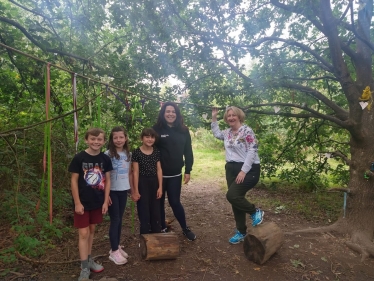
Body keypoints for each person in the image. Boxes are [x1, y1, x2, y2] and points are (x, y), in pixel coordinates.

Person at [211, 106, 263, 245]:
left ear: (239, 116)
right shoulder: (227, 132)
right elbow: (216, 133)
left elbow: (252, 151)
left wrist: (244, 170)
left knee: (232, 196)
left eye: (233, 115)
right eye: (229, 116)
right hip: (231, 168)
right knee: (236, 200)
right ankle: (241, 231)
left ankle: (254, 211)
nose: (231, 118)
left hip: (248, 168)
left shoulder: (247, 131)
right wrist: (214, 117)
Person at [68, 128, 113, 281]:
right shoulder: (79, 157)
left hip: (97, 201)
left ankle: (89, 259)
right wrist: (77, 202)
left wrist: (106, 200)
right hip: (82, 202)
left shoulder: (105, 159)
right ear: (86, 140)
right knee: (83, 233)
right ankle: (84, 267)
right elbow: (73, 180)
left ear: (103, 141)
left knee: (92, 230)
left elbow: (107, 180)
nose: (96, 142)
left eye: (99, 139)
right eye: (92, 139)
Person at [152, 101, 196, 241]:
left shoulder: (184, 130)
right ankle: (161, 228)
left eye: (173, 112)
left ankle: (185, 228)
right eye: (167, 111)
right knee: (158, 203)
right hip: (158, 175)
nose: (170, 114)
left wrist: (188, 170)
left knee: (175, 202)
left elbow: (188, 151)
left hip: (175, 174)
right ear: (163, 114)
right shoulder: (156, 129)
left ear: (177, 114)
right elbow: (149, 149)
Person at [104, 126, 132, 265]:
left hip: (123, 190)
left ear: (125, 138)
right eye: (115, 137)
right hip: (112, 191)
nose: (118, 140)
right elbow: (103, 176)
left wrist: (132, 189)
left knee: (119, 219)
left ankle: (116, 246)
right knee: (115, 219)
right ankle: (114, 251)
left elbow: (130, 173)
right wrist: (106, 194)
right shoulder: (107, 154)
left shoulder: (128, 154)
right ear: (112, 139)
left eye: (121, 137)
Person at [131, 128, 163, 234]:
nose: (150, 139)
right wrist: (135, 190)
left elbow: (159, 169)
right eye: (147, 137)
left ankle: (156, 234)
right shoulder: (136, 152)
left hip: (154, 182)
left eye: (152, 137)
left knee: (155, 210)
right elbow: (135, 172)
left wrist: (160, 187)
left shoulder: (156, 151)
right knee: (143, 210)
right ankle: (145, 235)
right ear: (142, 138)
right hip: (142, 182)